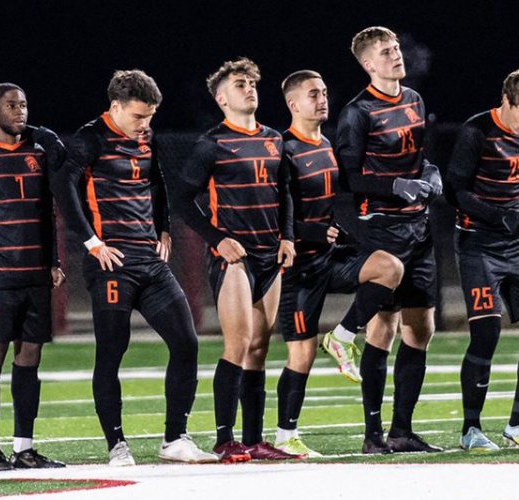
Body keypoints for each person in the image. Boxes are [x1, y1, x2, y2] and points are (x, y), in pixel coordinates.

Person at [53, 70, 218, 466]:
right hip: (112, 265)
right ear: (115, 106)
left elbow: (158, 182)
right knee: (112, 350)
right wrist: (92, 243)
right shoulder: (90, 137)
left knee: (186, 342)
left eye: (150, 117)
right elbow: (63, 187)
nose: (145, 125)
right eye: (138, 116)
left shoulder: (147, 138)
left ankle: (175, 439)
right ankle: (117, 445)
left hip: (149, 260)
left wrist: (162, 227)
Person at [272, 69, 403, 457]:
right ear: (293, 104)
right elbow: (276, 212)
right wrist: (309, 235)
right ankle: (284, 436)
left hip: (329, 258)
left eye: (325, 91)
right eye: (313, 94)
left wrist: (335, 231)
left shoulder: (327, 144)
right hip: (298, 268)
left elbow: (322, 208)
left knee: (390, 267)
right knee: (301, 355)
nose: (323, 99)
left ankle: (343, 336)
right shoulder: (283, 149)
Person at [173, 58, 299, 462]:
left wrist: (289, 237)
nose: (249, 89)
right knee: (239, 344)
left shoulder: (275, 139)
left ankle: (255, 439)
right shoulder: (212, 143)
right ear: (221, 97)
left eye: (251, 83)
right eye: (239, 84)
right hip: (236, 259)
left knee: (261, 346)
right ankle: (225, 438)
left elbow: (286, 194)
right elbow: (182, 199)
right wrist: (217, 239)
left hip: (270, 255)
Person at [334, 25, 444, 454]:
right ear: (368, 63)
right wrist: (395, 186)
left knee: (421, 328)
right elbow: (348, 176)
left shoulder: (415, 100)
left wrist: (429, 173)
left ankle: (403, 430)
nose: (396, 55)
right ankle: (372, 435)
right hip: (383, 227)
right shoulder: (357, 112)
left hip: (420, 228)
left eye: (397, 47)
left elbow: (421, 156)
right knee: (384, 327)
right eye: (386, 51)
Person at [444, 68, 519, 451]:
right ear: (505, 100)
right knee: (486, 333)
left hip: (517, 244)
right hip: (478, 243)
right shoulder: (476, 132)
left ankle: (518, 426)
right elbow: (454, 191)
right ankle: (471, 430)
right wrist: (498, 215)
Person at [0, 82, 67, 470]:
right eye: (11, 105)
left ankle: (24, 448)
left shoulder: (38, 151)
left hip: (36, 273)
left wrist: (54, 261)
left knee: (30, 360)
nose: (20, 111)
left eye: (23, 104)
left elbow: (49, 211)